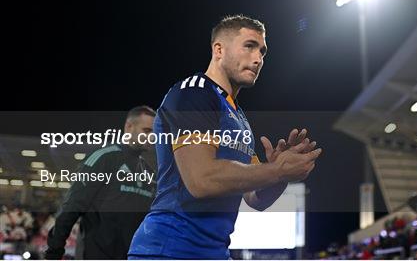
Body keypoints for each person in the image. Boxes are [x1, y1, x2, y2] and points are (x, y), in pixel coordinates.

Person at [128, 15, 322, 259]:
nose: (258, 58)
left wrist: (279, 175)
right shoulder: (193, 94)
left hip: (214, 251)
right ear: (218, 49)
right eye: (249, 46)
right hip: (170, 248)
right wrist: (278, 170)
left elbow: (255, 198)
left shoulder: (238, 118)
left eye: (262, 51)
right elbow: (202, 180)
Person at [45, 106, 157, 259]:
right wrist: (54, 251)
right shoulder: (103, 158)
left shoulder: (149, 173)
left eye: (155, 132)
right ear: (129, 127)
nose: (152, 136)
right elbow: (72, 206)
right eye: (147, 130)